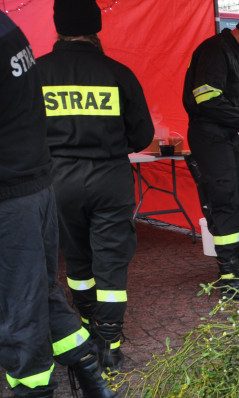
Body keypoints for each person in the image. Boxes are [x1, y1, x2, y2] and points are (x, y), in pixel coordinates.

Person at [0, 12, 117, 398]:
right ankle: (92, 379)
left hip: (11, 196)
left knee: (16, 306)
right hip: (34, 185)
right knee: (39, 292)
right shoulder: (8, 30)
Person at [36, 0, 155, 372]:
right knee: (111, 261)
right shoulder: (117, 72)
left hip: (58, 181)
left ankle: (86, 326)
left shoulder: (36, 73)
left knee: (76, 259)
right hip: (110, 179)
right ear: (95, 28)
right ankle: (110, 344)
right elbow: (144, 135)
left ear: (57, 27)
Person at [182, 4, 239, 301]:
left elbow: (224, 96)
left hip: (222, 137)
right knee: (224, 203)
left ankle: (233, 268)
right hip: (211, 139)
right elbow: (206, 98)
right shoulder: (215, 51)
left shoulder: (229, 52)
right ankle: (229, 277)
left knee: (231, 202)